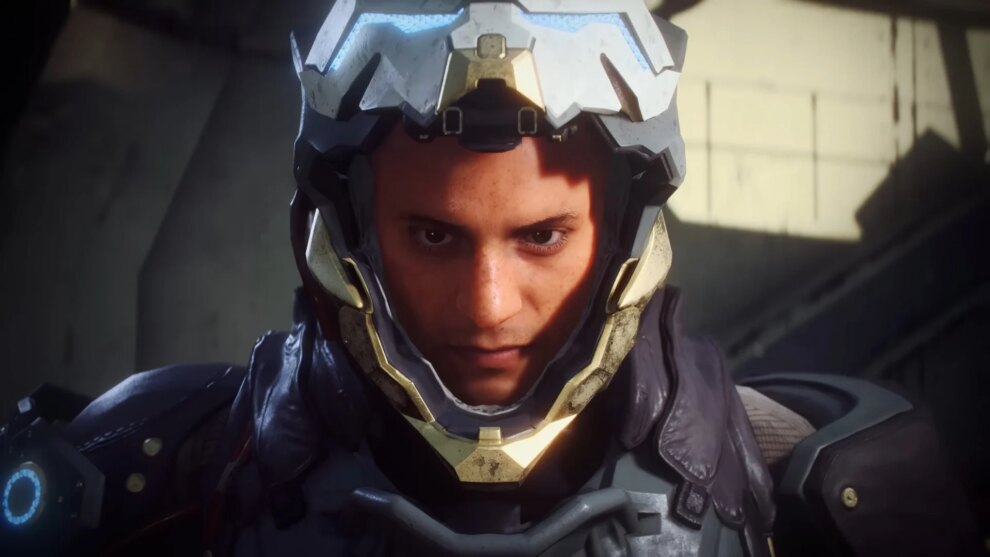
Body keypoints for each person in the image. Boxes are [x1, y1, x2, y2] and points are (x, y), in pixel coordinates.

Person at [0, 1, 979, 556]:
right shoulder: (153, 465)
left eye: (542, 235)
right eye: (433, 234)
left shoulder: (832, 479)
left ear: (624, 228)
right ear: (349, 225)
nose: (487, 305)